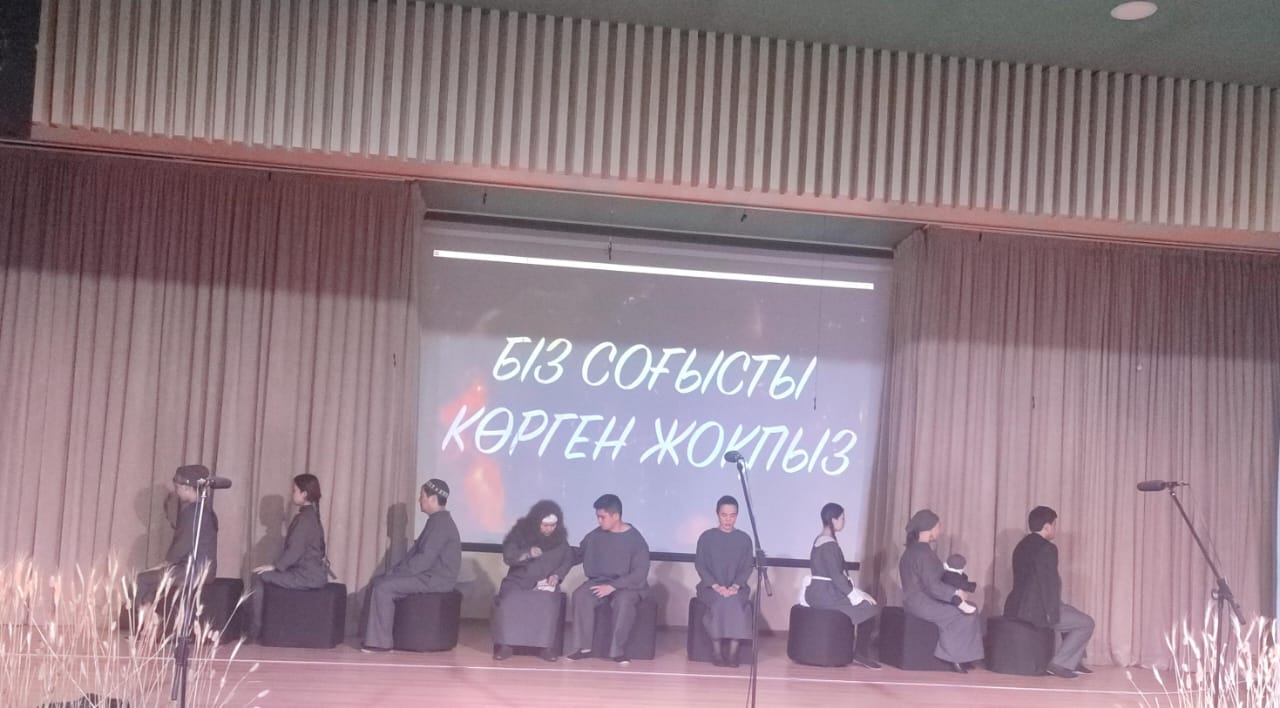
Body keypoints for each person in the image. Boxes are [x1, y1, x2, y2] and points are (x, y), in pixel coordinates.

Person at [361, 479, 460, 652]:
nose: (419, 500)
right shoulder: (438, 521)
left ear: (432, 499)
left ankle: (380, 644)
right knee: (379, 582)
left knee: (383, 587)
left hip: (435, 579)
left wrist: (396, 573)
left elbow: (423, 560)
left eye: (422, 496)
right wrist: (395, 572)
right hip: (429, 575)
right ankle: (374, 636)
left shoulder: (440, 524)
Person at [1004, 505, 1095, 679]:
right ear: (1046, 526)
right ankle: (1060, 664)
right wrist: (1052, 614)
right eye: (1054, 525)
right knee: (1086, 623)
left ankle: (1074, 661)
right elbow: (1048, 584)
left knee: (1072, 613)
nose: (1055, 529)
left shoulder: (1022, 545)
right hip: (1035, 609)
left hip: (1017, 604)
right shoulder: (1047, 548)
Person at [566, 494, 650, 665]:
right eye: (597, 517)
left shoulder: (636, 540)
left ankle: (617, 651)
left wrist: (613, 586)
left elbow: (639, 573)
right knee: (581, 595)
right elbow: (578, 554)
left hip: (628, 585)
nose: (599, 521)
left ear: (616, 516)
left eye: (602, 517)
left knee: (623, 602)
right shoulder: (595, 536)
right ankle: (583, 647)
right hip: (599, 581)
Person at [246, 474, 331, 641]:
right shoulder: (310, 516)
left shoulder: (304, 519)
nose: (292, 494)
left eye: (294, 490)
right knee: (263, 575)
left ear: (304, 494)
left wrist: (274, 566)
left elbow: (294, 552)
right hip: (310, 573)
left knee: (258, 577)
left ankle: (255, 630)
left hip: (306, 576)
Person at [898, 508, 984, 673]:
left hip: (917, 600)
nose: (940, 530)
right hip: (922, 603)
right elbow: (933, 586)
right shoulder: (923, 553)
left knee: (970, 608)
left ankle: (962, 655)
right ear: (929, 529)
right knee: (964, 613)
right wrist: (955, 595)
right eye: (938, 527)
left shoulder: (914, 550)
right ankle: (954, 657)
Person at [132, 465, 219, 619]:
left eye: (177, 487)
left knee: (143, 579)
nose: (177, 492)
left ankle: (145, 623)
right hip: (199, 569)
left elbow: (183, 545)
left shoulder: (193, 513)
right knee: (152, 579)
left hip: (193, 570)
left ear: (186, 488)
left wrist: (165, 563)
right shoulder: (205, 510)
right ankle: (151, 621)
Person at [491, 499, 574, 661]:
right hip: (518, 581)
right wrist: (528, 553)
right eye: (545, 525)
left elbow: (567, 560)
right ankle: (506, 645)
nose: (549, 529)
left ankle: (545, 647)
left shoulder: (560, 540)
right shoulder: (520, 533)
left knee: (548, 604)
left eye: (552, 525)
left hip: (545, 584)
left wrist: (557, 575)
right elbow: (509, 556)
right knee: (508, 601)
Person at [803, 502, 881, 669]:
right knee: (869, 608)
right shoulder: (829, 545)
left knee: (865, 602)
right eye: (842, 518)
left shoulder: (819, 540)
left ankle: (853, 650)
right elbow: (837, 576)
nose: (844, 521)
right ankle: (860, 653)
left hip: (820, 591)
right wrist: (855, 596)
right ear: (833, 519)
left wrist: (857, 592)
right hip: (825, 594)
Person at [693, 495, 754, 668]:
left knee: (735, 603)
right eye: (724, 515)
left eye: (732, 515)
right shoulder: (706, 537)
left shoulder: (744, 539)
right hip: (710, 587)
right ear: (717, 514)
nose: (728, 519)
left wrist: (735, 585)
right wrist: (716, 586)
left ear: (737, 516)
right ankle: (717, 652)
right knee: (720, 602)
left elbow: (747, 566)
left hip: (737, 588)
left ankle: (734, 653)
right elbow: (700, 565)